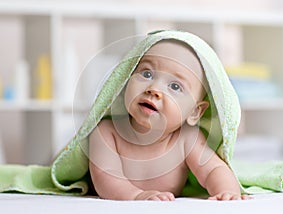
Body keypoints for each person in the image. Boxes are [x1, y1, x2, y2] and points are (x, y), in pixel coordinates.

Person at [89, 38, 249, 201]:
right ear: (125, 79)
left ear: (194, 112)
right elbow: (105, 177)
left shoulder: (187, 138)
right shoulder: (107, 132)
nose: (154, 89)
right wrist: (137, 196)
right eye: (147, 74)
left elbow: (213, 170)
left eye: (175, 86)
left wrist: (227, 191)